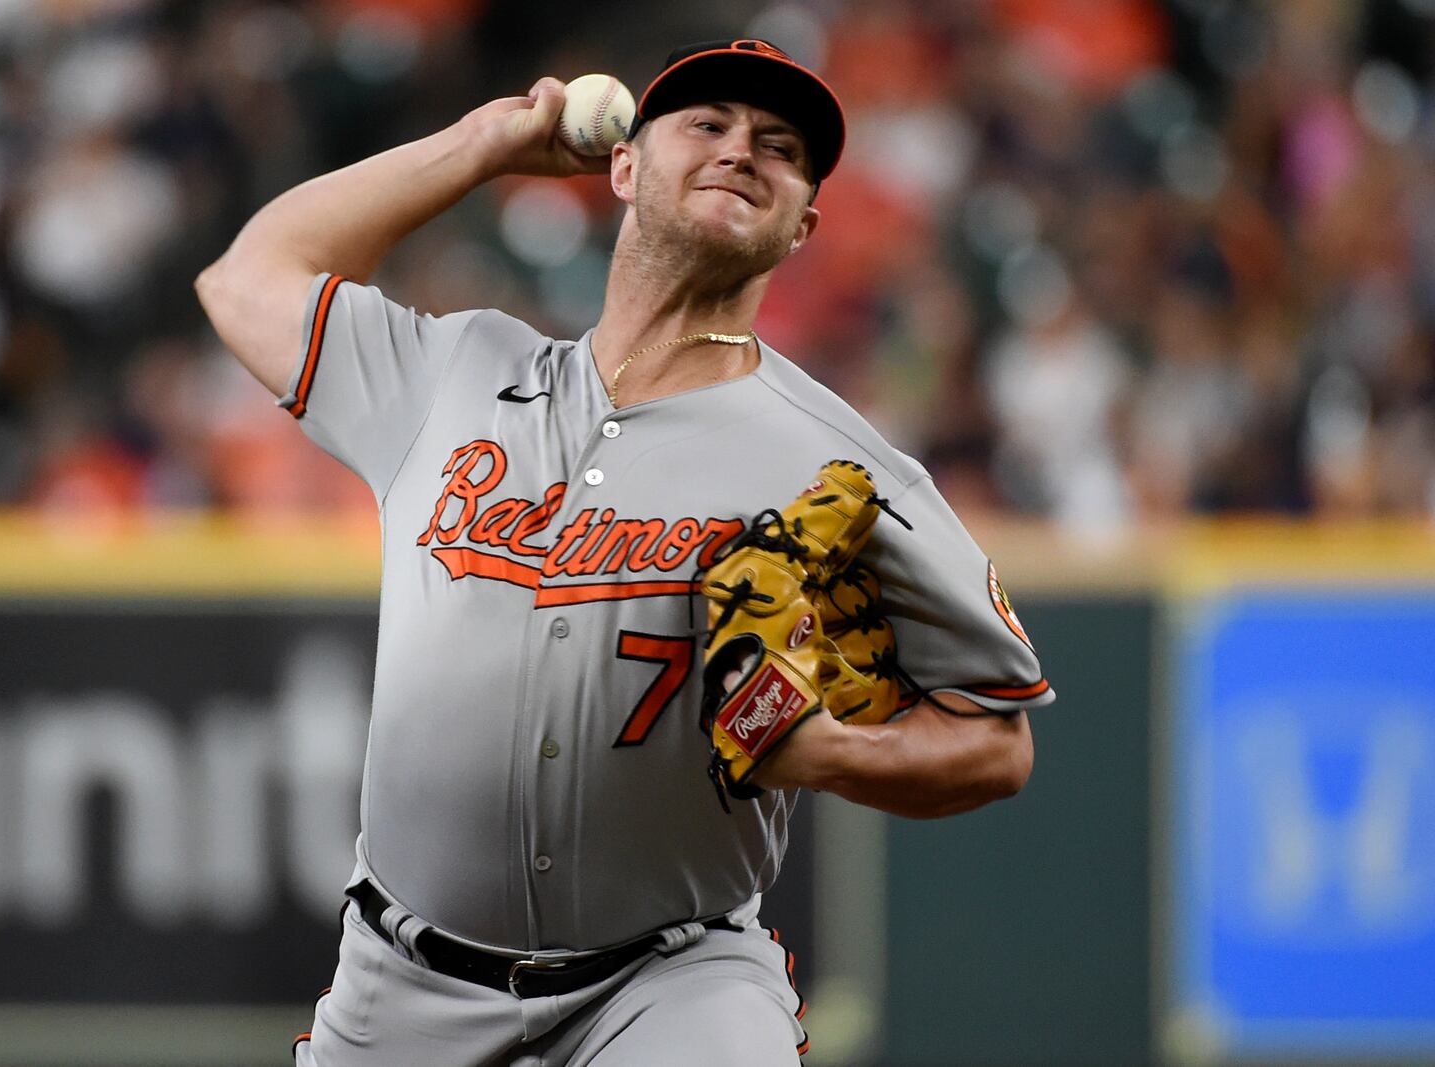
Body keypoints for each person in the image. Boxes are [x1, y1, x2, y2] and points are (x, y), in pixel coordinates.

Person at [196, 38, 1053, 1067]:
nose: (742, 149)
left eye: (779, 147)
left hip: (670, 982)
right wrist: (480, 144)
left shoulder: (841, 464)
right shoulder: (455, 372)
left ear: (801, 227)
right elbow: (246, 278)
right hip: (400, 983)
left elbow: (997, 739)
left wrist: (828, 750)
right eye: (707, 124)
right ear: (623, 166)